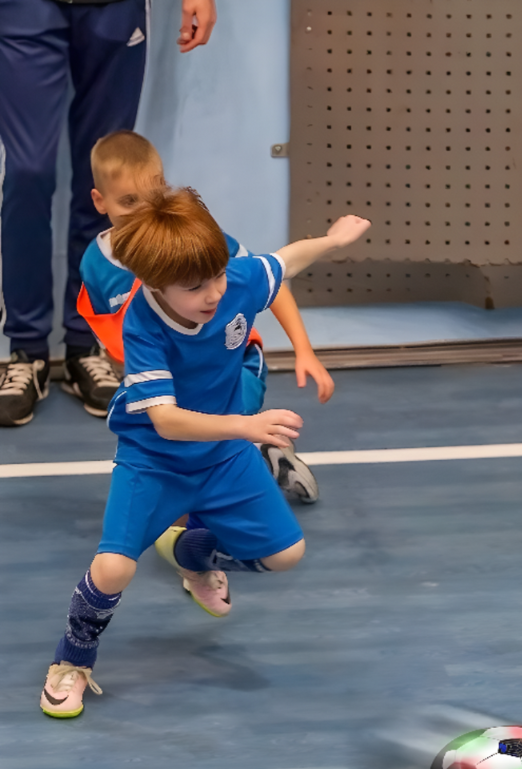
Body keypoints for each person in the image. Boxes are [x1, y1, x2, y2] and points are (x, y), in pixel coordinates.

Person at [38, 187, 370, 719]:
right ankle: (71, 661)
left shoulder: (229, 281)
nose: (215, 293)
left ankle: (193, 555)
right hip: (154, 460)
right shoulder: (143, 325)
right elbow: (165, 420)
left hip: (223, 456)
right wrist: (247, 425)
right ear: (153, 284)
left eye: (217, 276)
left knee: (285, 555)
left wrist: (331, 240)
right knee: (115, 567)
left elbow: (284, 262)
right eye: (195, 287)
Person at [79, 129, 332, 502]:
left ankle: (252, 455)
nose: (140, 212)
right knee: (177, 439)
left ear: (163, 188)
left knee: (224, 421)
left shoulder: (198, 242)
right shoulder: (96, 266)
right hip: (177, 380)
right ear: (100, 202)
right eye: (127, 202)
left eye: (149, 197)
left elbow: (268, 282)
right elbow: (118, 338)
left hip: (233, 363)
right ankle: (239, 466)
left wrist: (304, 350)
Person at [0, 0, 217, 428]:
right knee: (28, 173)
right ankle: (27, 352)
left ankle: (86, 344)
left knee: (108, 183)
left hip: (114, 8)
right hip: (24, 8)